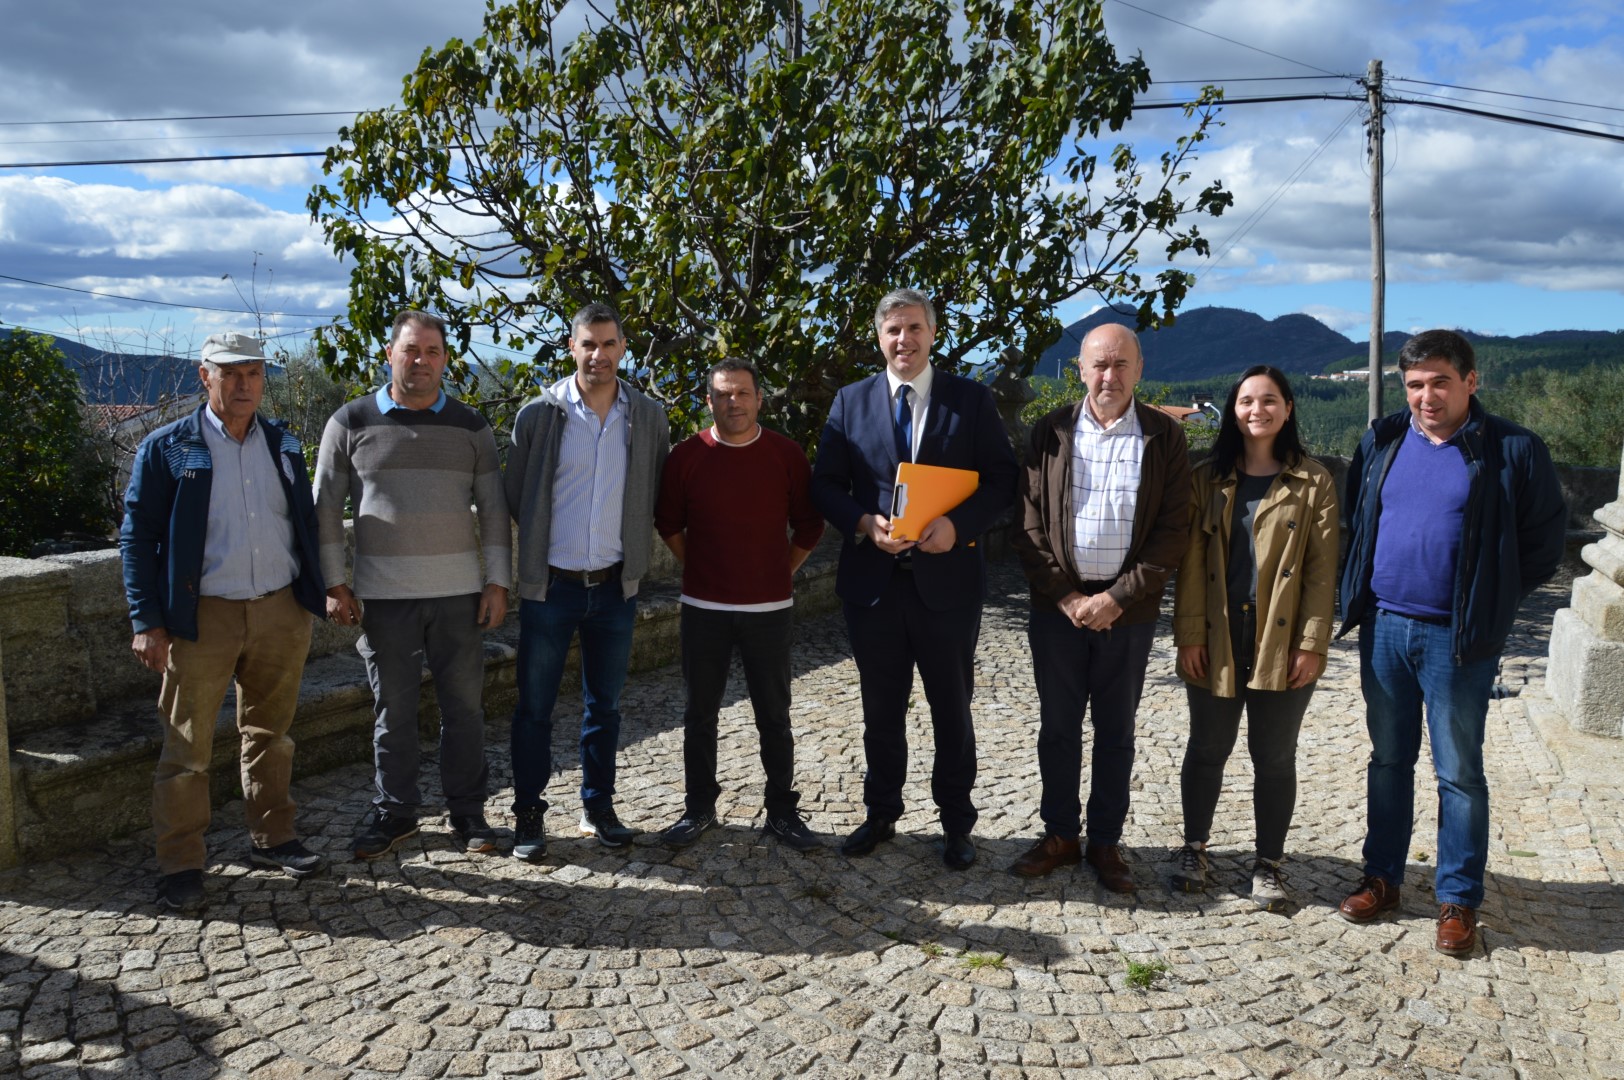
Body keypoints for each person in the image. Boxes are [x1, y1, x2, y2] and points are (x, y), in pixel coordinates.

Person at [1336, 329, 1565, 956]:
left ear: (1471, 380)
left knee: (1459, 771)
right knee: (1388, 760)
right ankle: (1381, 879)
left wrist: (1491, 598)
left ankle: (1458, 900)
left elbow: (1544, 544)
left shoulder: (1512, 449)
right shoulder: (1382, 438)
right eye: (1415, 384)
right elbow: (1357, 520)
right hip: (1385, 627)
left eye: (1440, 381)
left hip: (1457, 639)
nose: (1426, 396)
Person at [810, 288, 1018, 870]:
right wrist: (861, 522)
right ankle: (881, 813)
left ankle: (957, 823)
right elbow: (824, 483)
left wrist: (960, 525)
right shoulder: (849, 402)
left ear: (934, 333)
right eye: (893, 330)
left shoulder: (970, 400)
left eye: (915, 328)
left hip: (947, 584)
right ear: (879, 337)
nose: (904, 340)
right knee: (881, 708)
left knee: (952, 707)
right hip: (873, 585)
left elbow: (1003, 480)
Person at [121, 331, 328, 912]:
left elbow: (305, 524)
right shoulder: (168, 448)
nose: (243, 385)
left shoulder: (283, 444)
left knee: (272, 734)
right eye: (230, 374)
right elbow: (137, 539)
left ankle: (274, 837)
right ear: (203, 376)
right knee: (187, 748)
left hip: (279, 609)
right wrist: (148, 620)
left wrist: (320, 590)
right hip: (200, 617)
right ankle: (181, 862)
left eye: (253, 373)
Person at [315, 310, 512, 860]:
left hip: (459, 596)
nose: (420, 361)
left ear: (445, 359)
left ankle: (468, 812)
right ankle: (395, 811)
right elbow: (325, 508)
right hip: (383, 597)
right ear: (389, 354)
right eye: (410, 351)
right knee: (392, 712)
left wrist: (498, 581)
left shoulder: (472, 427)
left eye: (431, 352)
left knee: (465, 711)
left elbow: (495, 510)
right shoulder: (349, 422)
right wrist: (334, 582)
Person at [1007, 323, 1190, 892]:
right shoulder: (1050, 432)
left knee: (1116, 732)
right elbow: (1029, 522)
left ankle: (1106, 842)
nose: (1108, 376)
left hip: (1127, 614)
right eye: (1098, 365)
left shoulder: (1164, 436)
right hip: (1057, 610)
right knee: (1058, 728)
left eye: (1120, 365)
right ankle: (1060, 834)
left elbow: (1173, 531)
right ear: (1079, 371)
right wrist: (1065, 595)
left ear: (1138, 370)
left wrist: (1117, 597)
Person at [1169, 365, 1339, 910]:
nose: (1257, 410)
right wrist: (1190, 634)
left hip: (1281, 637)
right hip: (1219, 630)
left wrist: (1312, 643)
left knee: (1274, 755)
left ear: (1288, 408)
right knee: (1207, 747)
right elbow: (1190, 566)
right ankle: (1194, 847)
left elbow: (1320, 571)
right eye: (1245, 401)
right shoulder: (1204, 478)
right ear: (1233, 409)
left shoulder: (1315, 482)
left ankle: (1268, 864)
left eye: (1269, 400)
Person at [504, 303, 669, 860]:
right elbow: (516, 496)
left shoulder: (646, 417)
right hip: (551, 586)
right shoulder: (539, 415)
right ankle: (528, 813)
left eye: (608, 344)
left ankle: (598, 807)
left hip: (615, 587)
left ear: (623, 347)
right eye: (587, 345)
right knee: (534, 708)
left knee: (606, 706)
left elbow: (653, 486)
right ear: (571, 348)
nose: (598, 355)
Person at [654, 359, 826, 850]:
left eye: (743, 394)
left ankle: (781, 812)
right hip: (703, 607)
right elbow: (668, 523)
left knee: (774, 714)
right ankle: (698, 809)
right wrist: (702, 571)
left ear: (759, 399)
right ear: (708, 401)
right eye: (723, 394)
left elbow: (809, 525)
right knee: (699, 713)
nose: (734, 402)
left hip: (768, 610)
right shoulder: (686, 456)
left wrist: (779, 573)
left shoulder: (786, 454)